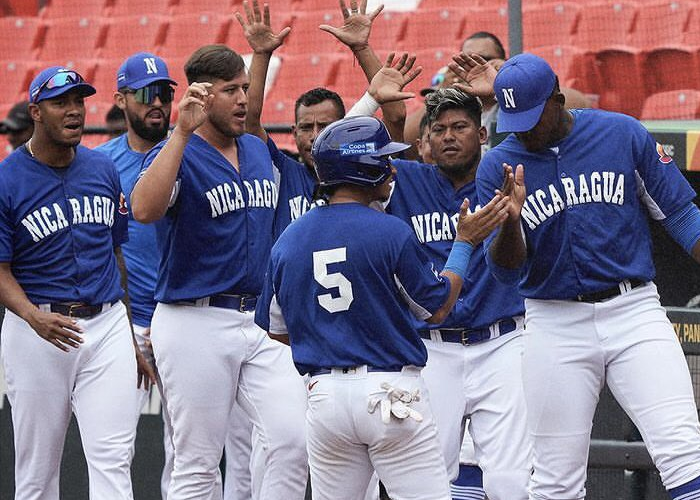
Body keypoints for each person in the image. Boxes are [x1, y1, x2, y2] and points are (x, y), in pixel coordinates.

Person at [476, 53, 700, 500]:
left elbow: (680, 216)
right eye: (514, 118)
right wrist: (509, 222)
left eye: (533, 117)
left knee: (683, 449)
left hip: (633, 310)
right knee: (555, 480)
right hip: (553, 322)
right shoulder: (497, 166)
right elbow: (505, 269)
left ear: (557, 98)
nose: (524, 129)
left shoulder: (620, 133)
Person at [255, 115, 510, 500]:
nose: (392, 169)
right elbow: (438, 309)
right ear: (363, 168)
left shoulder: (290, 238)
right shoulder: (389, 231)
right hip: (390, 391)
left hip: (325, 395)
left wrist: (334, 340)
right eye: (383, 160)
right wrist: (464, 243)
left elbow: (276, 328)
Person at [130, 44, 308, 500]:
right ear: (203, 96)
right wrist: (178, 136)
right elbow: (145, 209)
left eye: (246, 88)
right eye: (231, 90)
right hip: (195, 319)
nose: (244, 99)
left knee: (294, 440)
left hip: (261, 322)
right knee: (198, 464)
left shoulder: (255, 148)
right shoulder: (180, 152)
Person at [353, 75, 532, 496]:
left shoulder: (503, 178)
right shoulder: (405, 181)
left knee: (513, 481)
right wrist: (369, 86)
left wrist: (503, 83)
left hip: (502, 342)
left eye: (460, 127)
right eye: (439, 129)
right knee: (427, 480)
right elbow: (340, 155)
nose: (449, 136)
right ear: (426, 139)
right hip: (430, 348)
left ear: (483, 133)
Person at [0, 66, 155, 499]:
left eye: (78, 101)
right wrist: (32, 316)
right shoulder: (6, 179)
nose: (74, 111)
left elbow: (115, 254)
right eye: (60, 102)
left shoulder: (103, 169)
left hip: (106, 327)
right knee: (37, 470)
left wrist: (126, 337)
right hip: (39, 328)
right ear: (35, 111)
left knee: (113, 460)